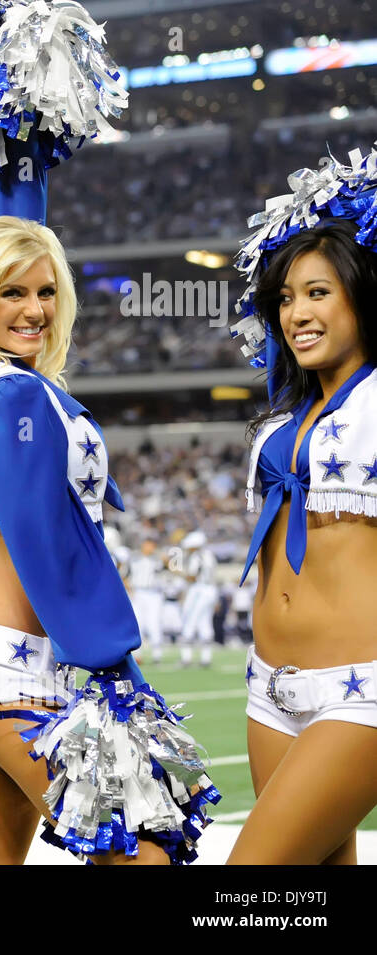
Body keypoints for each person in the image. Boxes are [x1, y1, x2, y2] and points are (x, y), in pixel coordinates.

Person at [0, 214, 211, 864]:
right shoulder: (13, 395)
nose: (35, 309)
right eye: (12, 292)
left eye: (46, 291)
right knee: (136, 849)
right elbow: (42, 539)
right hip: (9, 664)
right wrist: (112, 661)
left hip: (5, 657)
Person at [231, 219, 377, 864]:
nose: (297, 313)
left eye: (318, 292)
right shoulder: (289, 411)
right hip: (269, 686)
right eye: (286, 298)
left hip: (360, 687)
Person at [178, 530, 218, 667]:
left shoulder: (197, 556)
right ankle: (206, 658)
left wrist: (176, 572)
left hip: (199, 590)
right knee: (205, 623)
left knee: (190, 621)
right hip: (210, 590)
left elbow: (192, 577)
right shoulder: (210, 555)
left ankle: (186, 658)